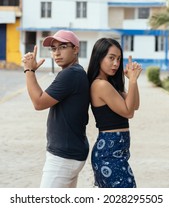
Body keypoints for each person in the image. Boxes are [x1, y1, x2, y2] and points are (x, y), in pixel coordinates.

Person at [22, 30, 90, 188]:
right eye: (53, 48)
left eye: (63, 47)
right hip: (71, 152)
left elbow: (39, 103)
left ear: (76, 49)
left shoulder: (71, 74)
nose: (57, 53)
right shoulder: (75, 72)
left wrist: (29, 70)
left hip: (63, 158)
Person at [87, 37, 142, 188]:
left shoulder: (110, 83)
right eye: (111, 58)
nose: (116, 63)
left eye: (118, 59)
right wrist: (132, 81)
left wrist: (133, 80)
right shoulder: (101, 85)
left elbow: (135, 105)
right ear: (99, 57)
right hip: (109, 154)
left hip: (117, 153)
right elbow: (128, 112)